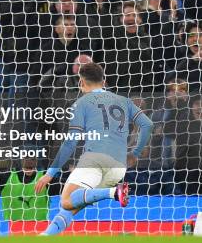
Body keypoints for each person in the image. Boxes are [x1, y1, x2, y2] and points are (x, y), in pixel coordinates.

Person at [33, 63, 154, 236]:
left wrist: (50, 174)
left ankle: (114, 192)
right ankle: (45, 237)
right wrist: (134, 153)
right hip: (118, 168)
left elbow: (70, 142)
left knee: (66, 200)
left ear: (81, 82)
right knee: (73, 205)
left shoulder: (81, 103)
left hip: (95, 159)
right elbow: (148, 124)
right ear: (104, 81)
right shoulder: (124, 101)